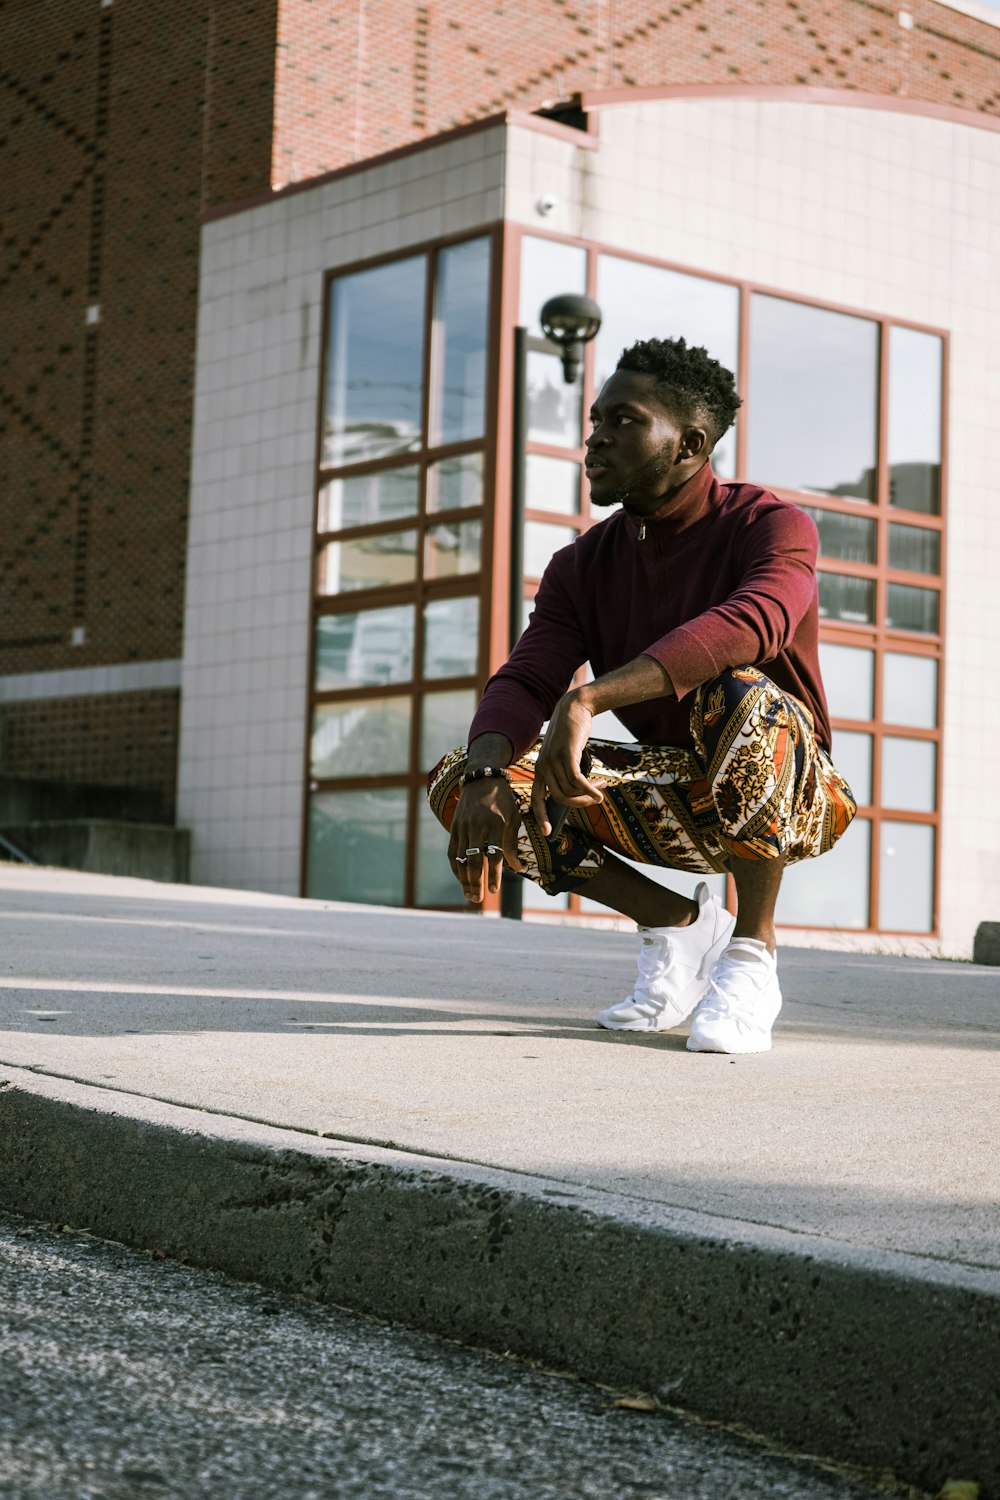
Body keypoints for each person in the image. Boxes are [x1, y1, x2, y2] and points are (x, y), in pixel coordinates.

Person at [427, 337, 857, 1054]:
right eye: (596, 418)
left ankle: (752, 956)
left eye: (623, 420)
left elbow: (753, 624)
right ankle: (681, 931)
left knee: (740, 693)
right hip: (672, 789)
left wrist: (587, 700)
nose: (596, 435)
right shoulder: (581, 565)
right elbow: (528, 679)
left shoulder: (772, 527)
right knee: (467, 774)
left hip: (794, 790)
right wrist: (485, 771)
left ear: (690, 442)